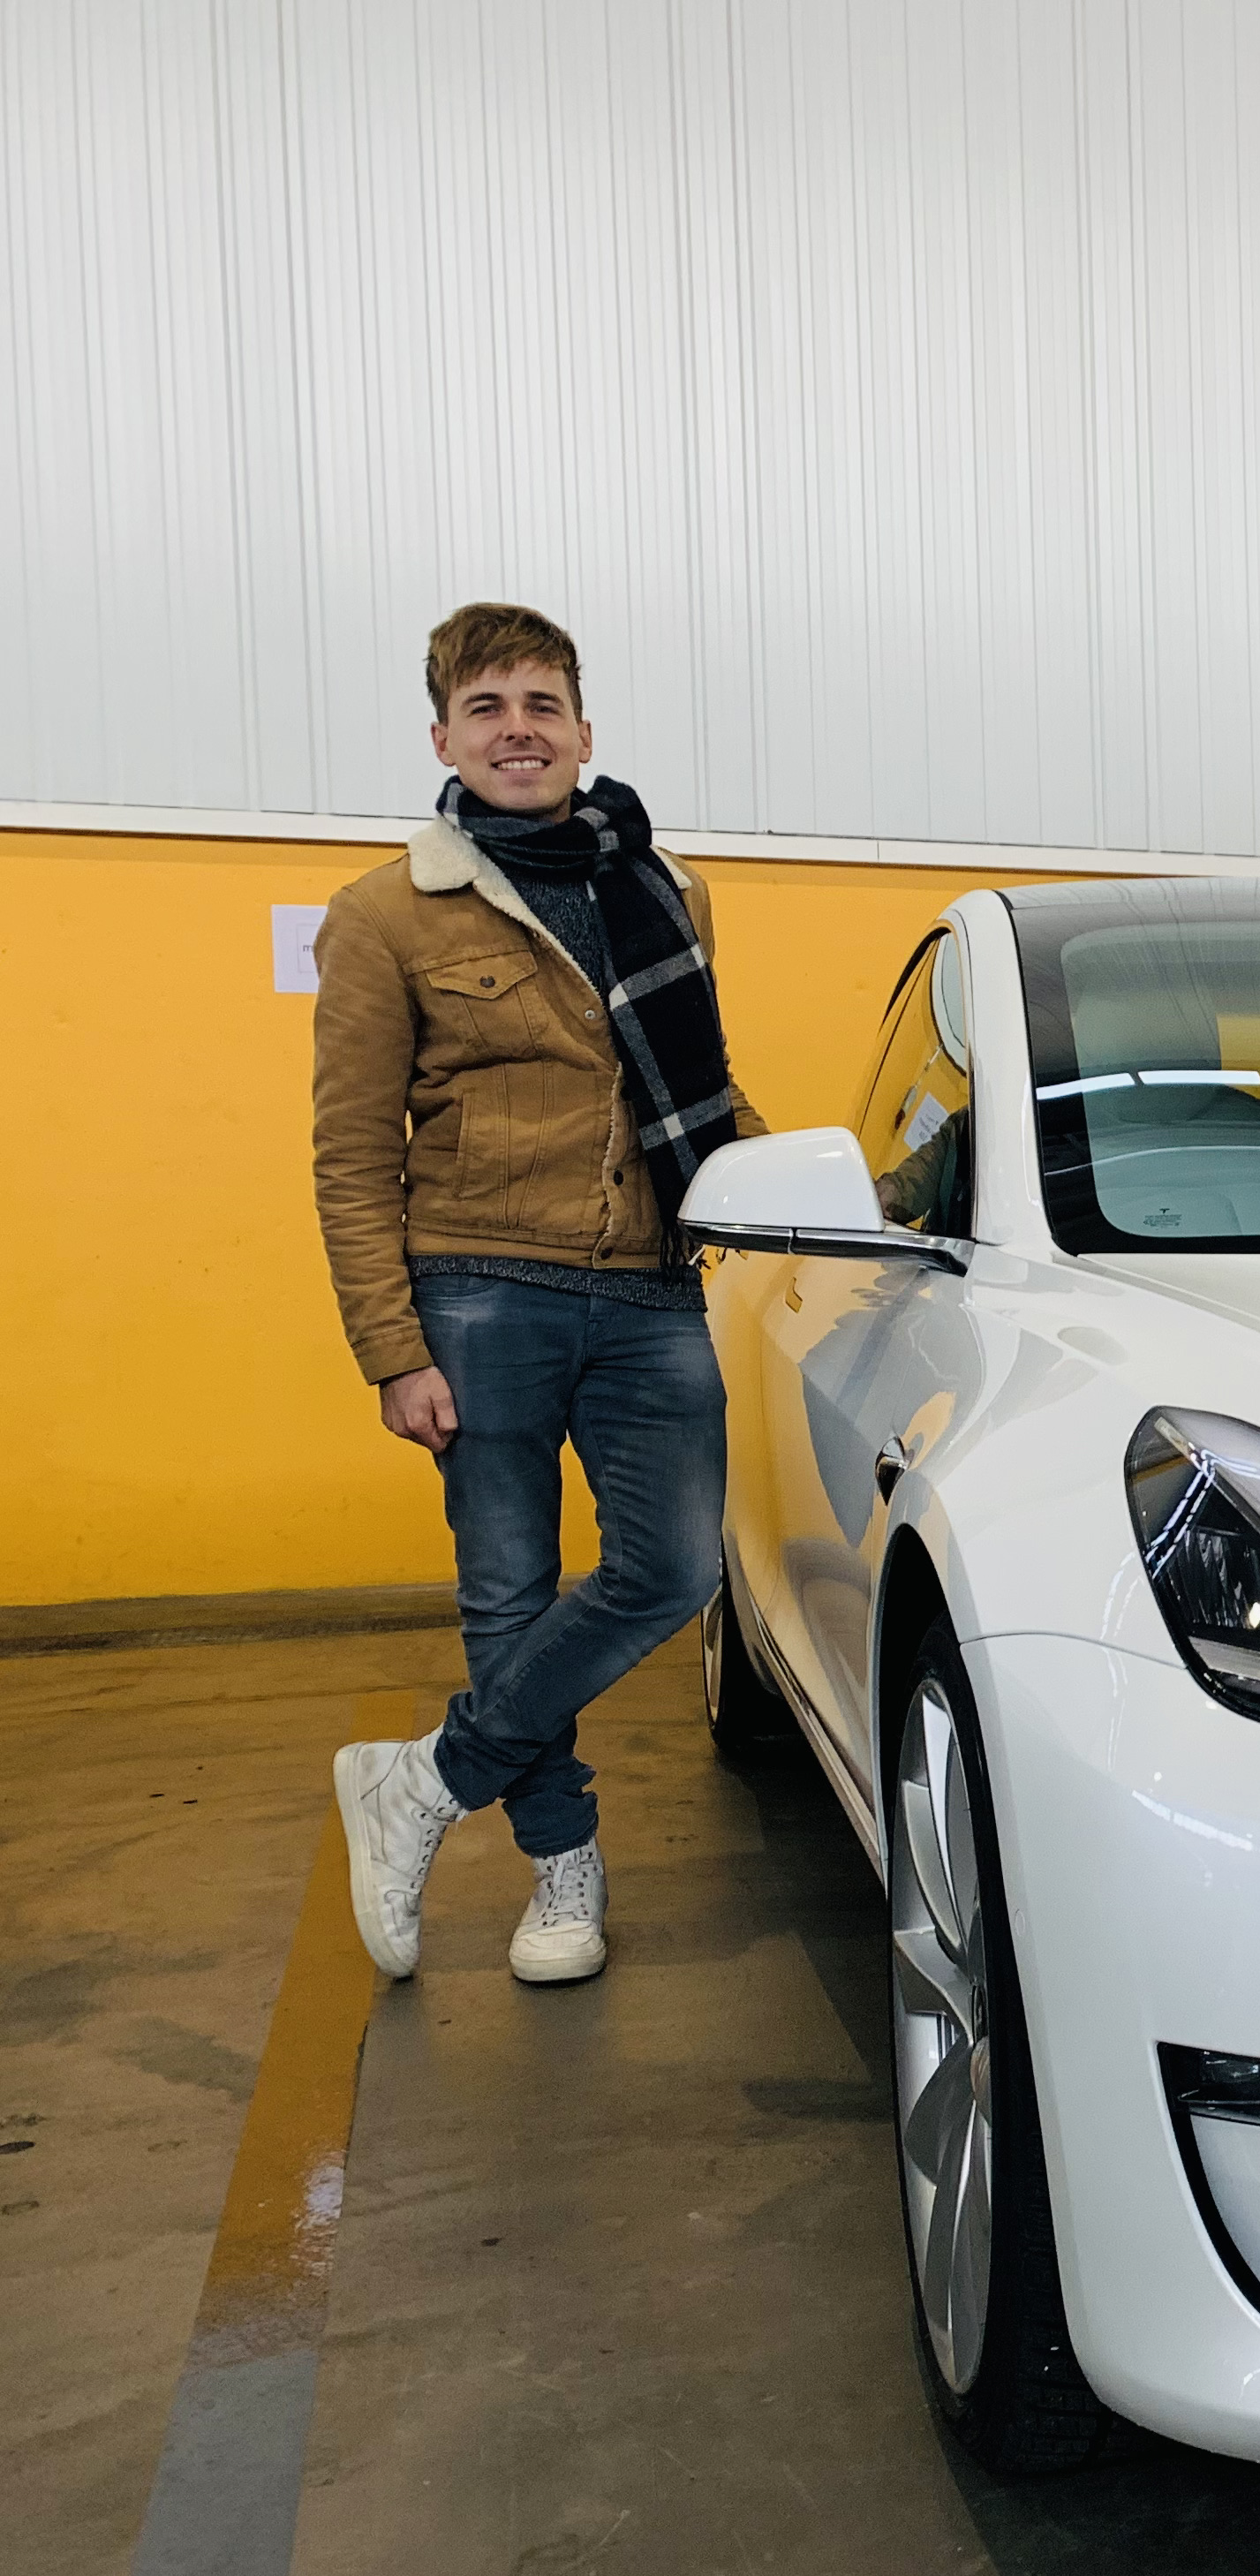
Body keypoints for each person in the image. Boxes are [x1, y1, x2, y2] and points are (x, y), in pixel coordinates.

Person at [312, 603, 765, 1987]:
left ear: (583, 732)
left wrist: (801, 1194)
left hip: (646, 1291)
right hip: (478, 1292)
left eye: (543, 704)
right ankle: (562, 1870)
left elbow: (696, 1091)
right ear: (444, 736)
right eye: (490, 705)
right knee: (508, 1592)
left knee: (674, 1568)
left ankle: (427, 1780)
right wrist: (392, 1348)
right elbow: (349, 1152)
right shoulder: (385, 915)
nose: (520, 728)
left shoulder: (665, 892)